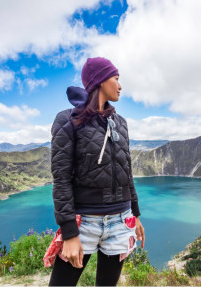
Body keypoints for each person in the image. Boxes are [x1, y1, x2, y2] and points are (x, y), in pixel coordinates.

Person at [48, 57, 145, 286]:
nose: (120, 86)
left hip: (121, 221)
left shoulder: (120, 122)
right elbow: (61, 180)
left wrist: (136, 214)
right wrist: (70, 233)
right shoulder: (67, 120)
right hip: (84, 224)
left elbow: (126, 171)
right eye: (116, 79)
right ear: (100, 80)